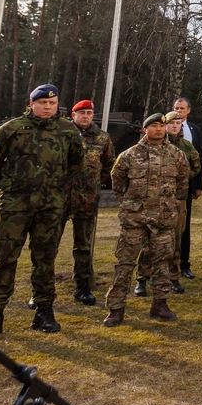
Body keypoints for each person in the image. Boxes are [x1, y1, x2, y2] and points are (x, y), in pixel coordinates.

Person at [0, 84, 83, 338]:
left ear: (58, 105)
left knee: (45, 259)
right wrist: (9, 184)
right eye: (42, 103)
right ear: (32, 103)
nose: (47, 107)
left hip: (50, 206)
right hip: (15, 206)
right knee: (4, 260)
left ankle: (44, 311)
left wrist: (53, 185)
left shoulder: (68, 130)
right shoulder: (12, 129)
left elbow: (76, 163)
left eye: (52, 103)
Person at [102, 112, 191, 325]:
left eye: (162, 125)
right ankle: (116, 308)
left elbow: (182, 182)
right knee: (125, 263)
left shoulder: (176, 155)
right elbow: (118, 183)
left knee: (162, 263)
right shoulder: (129, 155)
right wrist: (130, 204)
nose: (158, 129)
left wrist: (167, 204)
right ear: (144, 129)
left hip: (163, 219)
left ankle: (160, 304)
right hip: (135, 219)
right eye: (153, 126)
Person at [139, 111, 200, 296]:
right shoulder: (145, 148)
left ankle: (173, 277)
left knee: (175, 240)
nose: (174, 126)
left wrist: (175, 183)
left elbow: (194, 168)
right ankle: (142, 278)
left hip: (176, 200)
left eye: (178, 122)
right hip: (150, 201)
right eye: (170, 123)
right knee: (147, 241)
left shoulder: (185, 147)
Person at [63, 100, 114, 306]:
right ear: (73, 115)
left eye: (89, 113)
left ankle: (82, 287)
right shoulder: (63, 134)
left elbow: (109, 166)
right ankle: (40, 289)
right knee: (48, 245)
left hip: (87, 200)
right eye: (81, 113)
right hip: (60, 198)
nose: (85, 116)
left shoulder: (102, 138)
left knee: (83, 245)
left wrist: (92, 185)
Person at [173, 97, 202, 280]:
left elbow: (199, 159)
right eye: (176, 108)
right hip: (165, 186)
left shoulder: (194, 130)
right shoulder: (165, 127)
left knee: (184, 225)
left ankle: (184, 264)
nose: (179, 111)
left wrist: (198, 186)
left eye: (182, 108)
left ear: (188, 110)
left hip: (186, 185)